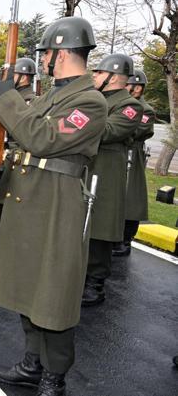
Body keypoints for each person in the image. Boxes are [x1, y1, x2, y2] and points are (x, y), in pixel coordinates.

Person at [0, 16, 107, 396]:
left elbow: (42, 138)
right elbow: (25, 138)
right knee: (27, 282)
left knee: (53, 291)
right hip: (29, 196)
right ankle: (31, 363)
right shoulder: (52, 94)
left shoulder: (90, 101)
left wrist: (6, 99)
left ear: (64, 53)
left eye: (48, 53)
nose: (43, 60)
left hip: (57, 204)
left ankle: (54, 375)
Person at [82, 54, 142, 306]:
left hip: (106, 171)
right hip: (86, 167)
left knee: (100, 228)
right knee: (80, 228)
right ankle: (79, 276)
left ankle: (95, 283)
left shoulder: (130, 106)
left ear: (114, 77)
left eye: (98, 73)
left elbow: (107, 131)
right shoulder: (95, 99)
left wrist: (79, 121)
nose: (94, 77)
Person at [0, 57, 38, 251]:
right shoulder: (10, 97)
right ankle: (1, 233)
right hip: (1, 149)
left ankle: (9, 237)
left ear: (23, 78)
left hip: (16, 153)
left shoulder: (30, 100)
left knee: (9, 200)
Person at [115, 69, 156, 256]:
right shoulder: (121, 105)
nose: (137, 88)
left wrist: (121, 129)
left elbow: (138, 130)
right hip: (120, 153)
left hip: (134, 154)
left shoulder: (145, 109)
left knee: (132, 199)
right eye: (134, 84)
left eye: (140, 85)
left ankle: (126, 240)